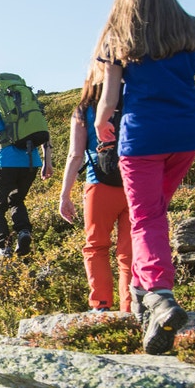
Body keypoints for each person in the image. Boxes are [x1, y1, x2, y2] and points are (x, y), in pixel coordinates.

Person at [90, 0, 195, 354]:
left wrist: (102, 123)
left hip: (141, 138)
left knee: (146, 217)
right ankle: (141, 302)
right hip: (186, 135)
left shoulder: (119, 37)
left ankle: (160, 295)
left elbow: (109, 98)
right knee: (153, 212)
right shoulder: (193, 28)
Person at [57, 63, 131, 312]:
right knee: (129, 252)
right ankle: (130, 308)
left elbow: (75, 155)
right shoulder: (135, 100)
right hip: (137, 183)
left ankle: (100, 305)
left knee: (96, 246)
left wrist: (65, 194)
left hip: (99, 184)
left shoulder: (83, 110)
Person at [0, 81, 52, 257]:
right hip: (32, 161)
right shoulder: (25, 107)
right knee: (16, 200)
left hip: (6, 162)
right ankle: (23, 232)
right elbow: (44, 134)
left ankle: (3, 247)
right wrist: (48, 162)